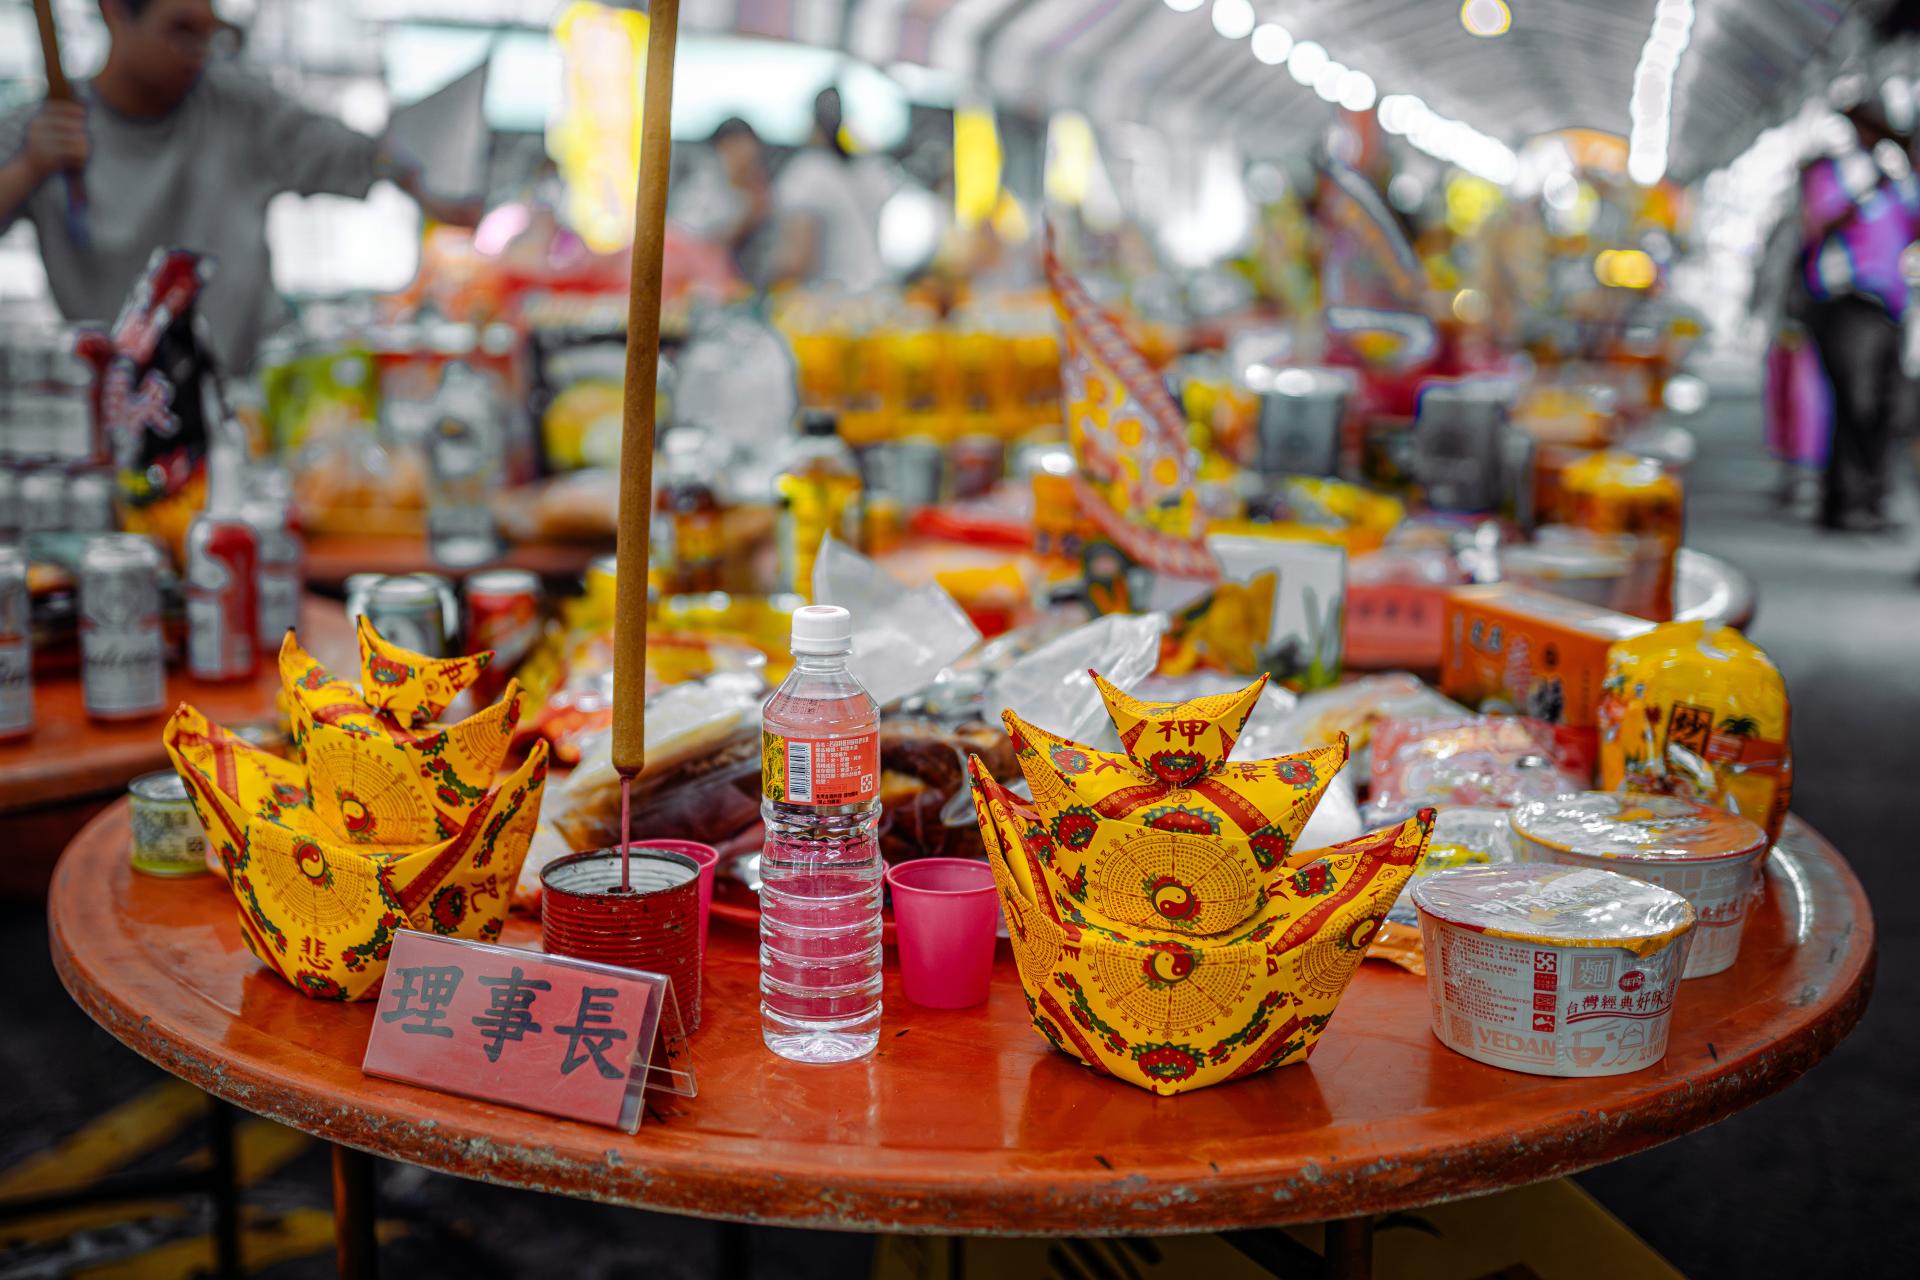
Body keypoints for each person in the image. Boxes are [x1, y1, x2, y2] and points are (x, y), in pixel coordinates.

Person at [0, 0, 480, 373]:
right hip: (124, 408)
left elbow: (351, 153)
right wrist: (27, 169)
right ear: (114, 13)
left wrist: (413, 171)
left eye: (210, 35)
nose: (199, 55)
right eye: (181, 32)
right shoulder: (48, 129)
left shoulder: (236, 107)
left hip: (245, 396)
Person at [1797, 80, 1920, 531]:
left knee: (1885, 407)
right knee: (1855, 403)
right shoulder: (1831, 173)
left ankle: (1870, 501)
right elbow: (1819, 225)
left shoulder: (1899, 180)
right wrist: (1870, 186)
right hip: (1846, 302)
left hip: (1889, 306)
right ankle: (1843, 504)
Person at [768, 88, 885, 293]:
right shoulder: (871, 170)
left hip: (830, 302)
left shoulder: (809, 172)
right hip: (878, 293)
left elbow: (797, 257)